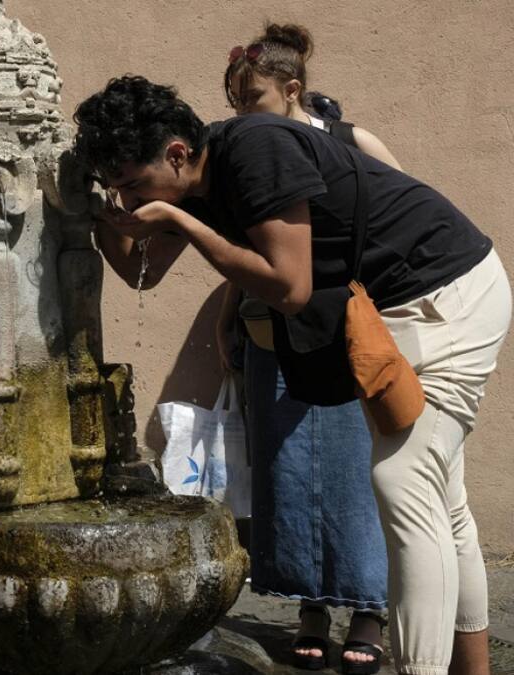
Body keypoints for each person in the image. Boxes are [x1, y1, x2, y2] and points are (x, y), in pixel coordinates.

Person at [74, 75, 507, 675]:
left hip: (446, 291)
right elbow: (140, 274)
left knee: (402, 480)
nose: (129, 197)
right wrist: (95, 214)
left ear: (176, 153)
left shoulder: (256, 150)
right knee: (443, 501)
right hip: (398, 308)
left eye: (132, 185)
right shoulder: (182, 184)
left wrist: (193, 227)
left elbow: (290, 286)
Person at [215, 23, 402, 673]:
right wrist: (227, 314)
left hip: (346, 339)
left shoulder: (353, 144)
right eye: (236, 101)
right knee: (288, 475)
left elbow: (402, 225)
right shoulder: (247, 152)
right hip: (271, 335)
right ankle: (312, 609)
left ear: (292, 90)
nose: (242, 114)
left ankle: (369, 612)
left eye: (254, 99)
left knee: (356, 476)